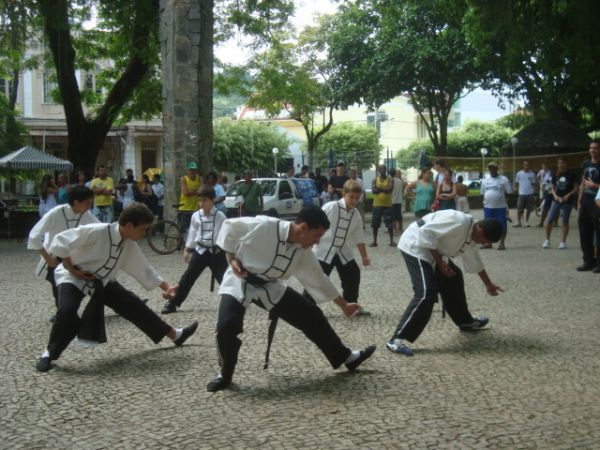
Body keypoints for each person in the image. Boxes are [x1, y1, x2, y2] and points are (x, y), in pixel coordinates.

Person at [206, 205, 376, 392]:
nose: (317, 242)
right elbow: (229, 226)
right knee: (226, 326)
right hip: (240, 279)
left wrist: (343, 305)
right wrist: (231, 259)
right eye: (316, 236)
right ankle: (225, 374)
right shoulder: (265, 226)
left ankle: (346, 357)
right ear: (303, 228)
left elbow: (319, 279)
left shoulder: (302, 252)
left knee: (311, 314)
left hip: (270, 285)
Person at [35, 203, 199, 373]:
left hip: (102, 280)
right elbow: (60, 241)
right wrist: (71, 269)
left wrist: (166, 287)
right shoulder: (97, 231)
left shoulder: (128, 244)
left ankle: (175, 335)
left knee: (133, 305)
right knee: (67, 311)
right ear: (129, 225)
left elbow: (143, 269)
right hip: (73, 277)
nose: (144, 234)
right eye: (143, 229)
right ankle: (48, 354)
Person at [386, 210, 504, 357]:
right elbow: (425, 233)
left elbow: (475, 261)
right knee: (426, 293)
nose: (485, 244)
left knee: (454, 277)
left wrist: (488, 284)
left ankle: (465, 322)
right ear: (480, 230)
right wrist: (441, 263)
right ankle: (397, 338)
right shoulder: (459, 222)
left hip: (434, 252)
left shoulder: (472, 235)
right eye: (485, 240)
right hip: (415, 245)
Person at [28, 187, 99, 321]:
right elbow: (34, 236)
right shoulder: (56, 213)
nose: (90, 206)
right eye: (87, 203)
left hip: (75, 258)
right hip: (54, 258)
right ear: (76, 202)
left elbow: (101, 229)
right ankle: (62, 313)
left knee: (99, 281)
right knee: (58, 287)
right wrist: (48, 259)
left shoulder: (86, 215)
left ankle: (123, 304)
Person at [161, 186, 228, 314]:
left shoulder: (221, 216)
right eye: (199, 201)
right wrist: (188, 249)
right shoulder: (196, 216)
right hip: (201, 251)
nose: (201, 204)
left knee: (225, 279)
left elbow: (226, 235)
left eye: (204, 201)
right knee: (187, 278)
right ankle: (173, 302)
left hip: (217, 252)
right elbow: (192, 233)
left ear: (212, 200)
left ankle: (234, 303)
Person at [310, 180, 371, 315]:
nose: (354, 201)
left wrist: (364, 256)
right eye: (351, 197)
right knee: (316, 279)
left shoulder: (356, 215)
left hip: (343, 251)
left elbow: (359, 237)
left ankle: (351, 306)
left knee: (353, 274)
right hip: (323, 250)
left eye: (357, 198)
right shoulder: (331, 207)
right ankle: (307, 308)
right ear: (344, 193)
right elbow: (314, 222)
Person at [542, 158, 578, 249]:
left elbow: (576, 188)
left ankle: (563, 242)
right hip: (556, 200)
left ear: (566, 164)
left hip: (567, 201)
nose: (560, 165)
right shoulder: (555, 174)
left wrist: (568, 195)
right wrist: (555, 196)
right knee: (550, 220)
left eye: (562, 163)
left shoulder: (571, 174)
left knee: (565, 221)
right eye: (559, 163)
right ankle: (547, 239)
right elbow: (551, 187)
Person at [577, 139, 600, 272]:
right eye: (591, 148)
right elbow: (582, 184)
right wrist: (579, 202)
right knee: (584, 231)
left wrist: (595, 186)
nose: (593, 150)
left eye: (596, 148)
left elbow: (591, 185)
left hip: (598, 202)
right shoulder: (586, 164)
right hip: (586, 201)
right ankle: (588, 260)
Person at [480, 162, 512, 250]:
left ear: (497, 169)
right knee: (487, 226)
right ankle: (488, 243)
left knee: (502, 225)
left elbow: (509, 192)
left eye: (494, 168)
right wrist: (484, 202)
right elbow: (482, 193)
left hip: (500, 207)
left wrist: (505, 202)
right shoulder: (485, 180)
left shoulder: (503, 179)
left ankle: (502, 243)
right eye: (490, 168)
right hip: (488, 207)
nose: (492, 170)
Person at [370, 164, 395, 247]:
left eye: (384, 169)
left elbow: (390, 190)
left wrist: (379, 189)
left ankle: (392, 241)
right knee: (375, 224)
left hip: (388, 205)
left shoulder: (390, 179)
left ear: (386, 170)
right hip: (377, 205)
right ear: (378, 170)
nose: (383, 170)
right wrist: (384, 189)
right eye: (381, 169)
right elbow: (373, 191)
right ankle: (374, 241)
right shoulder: (375, 179)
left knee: (390, 224)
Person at [178, 161, 202, 234]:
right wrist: (197, 191)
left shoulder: (199, 179)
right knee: (184, 229)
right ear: (187, 170)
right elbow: (186, 193)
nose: (193, 171)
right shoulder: (184, 179)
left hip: (195, 208)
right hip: (185, 208)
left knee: (195, 228)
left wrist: (196, 191)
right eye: (191, 169)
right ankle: (181, 243)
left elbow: (202, 190)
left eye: (194, 169)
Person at [514, 161, 536, 227]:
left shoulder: (532, 174)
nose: (527, 166)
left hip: (530, 193)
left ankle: (526, 221)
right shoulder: (519, 173)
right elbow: (516, 183)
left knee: (529, 209)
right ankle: (518, 222)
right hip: (521, 193)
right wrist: (516, 189)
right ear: (523, 165)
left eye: (528, 165)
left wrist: (534, 192)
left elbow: (534, 183)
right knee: (519, 208)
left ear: (529, 166)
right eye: (525, 165)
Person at [389, 169, 405, 235]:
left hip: (392, 201)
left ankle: (395, 230)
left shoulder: (390, 180)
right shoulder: (400, 181)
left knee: (393, 217)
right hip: (399, 201)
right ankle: (401, 229)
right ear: (395, 173)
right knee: (399, 216)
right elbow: (402, 190)